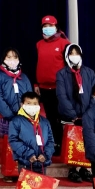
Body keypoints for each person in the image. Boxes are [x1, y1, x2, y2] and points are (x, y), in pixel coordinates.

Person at [56, 43, 95, 183]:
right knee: (72, 143)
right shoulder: (61, 74)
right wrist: (73, 115)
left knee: (86, 142)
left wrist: (88, 115)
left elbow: (94, 94)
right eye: (71, 54)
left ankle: (84, 168)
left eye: (76, 53)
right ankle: (72, 170)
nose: (74, 56)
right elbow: (62, 96)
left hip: (87, 116)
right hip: (69, 116)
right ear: (66, 56)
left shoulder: (89, 73)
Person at [35, 15, 71, 155]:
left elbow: (69, 67)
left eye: (50, 26)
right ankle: (54, 143)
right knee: (50, 117)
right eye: (45, 26)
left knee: (61, 117)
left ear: (56, 27)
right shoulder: (39, 44)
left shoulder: (64, 43)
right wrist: (36, 83)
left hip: (59, 88)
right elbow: (36, 64)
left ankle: (64, 144)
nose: (47, 28)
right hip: (44, 87)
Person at [7, 92, 54, 175]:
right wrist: (28, 154)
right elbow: (13, 140)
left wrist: (46, 155)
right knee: (27, 183)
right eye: (28, 103)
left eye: (35, 104)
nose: (32, 106)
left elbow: (50, 141)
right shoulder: (16, 121)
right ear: (22, 105)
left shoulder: (45, 122)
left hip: (42, 162)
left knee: (41, 183)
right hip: (26, 162)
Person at [0, 49, 32, 147]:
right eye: (9, 57)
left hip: (24, 116)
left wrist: (26, 113)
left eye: (15, 57)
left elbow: (30, 97)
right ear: (3, 59)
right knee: (9, 146)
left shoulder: (24, 77)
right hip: (7, 116)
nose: (12, 60)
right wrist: (9, 115)